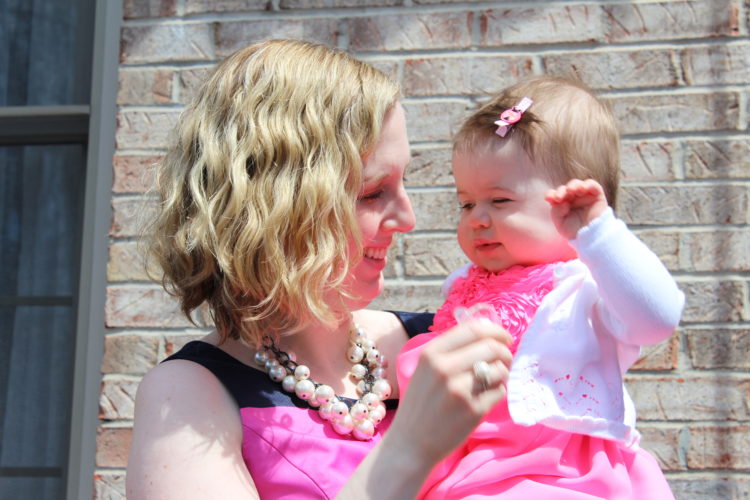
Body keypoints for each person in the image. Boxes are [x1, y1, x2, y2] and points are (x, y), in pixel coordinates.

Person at [125, 39, 514, 499]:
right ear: (277, 209)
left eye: (402, 182)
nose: (407, 219)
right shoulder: (188, 397)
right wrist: (409, 448)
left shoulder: (435, 341)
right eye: (373, 193)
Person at [396, 76, 685, 499]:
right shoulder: (464, 285)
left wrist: (600, 236)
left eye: (500, 201)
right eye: (466, 203)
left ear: (570, 206)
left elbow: (656, 318)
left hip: (560, 475)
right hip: (464, 470)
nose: (477, 217)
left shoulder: (581, 290)